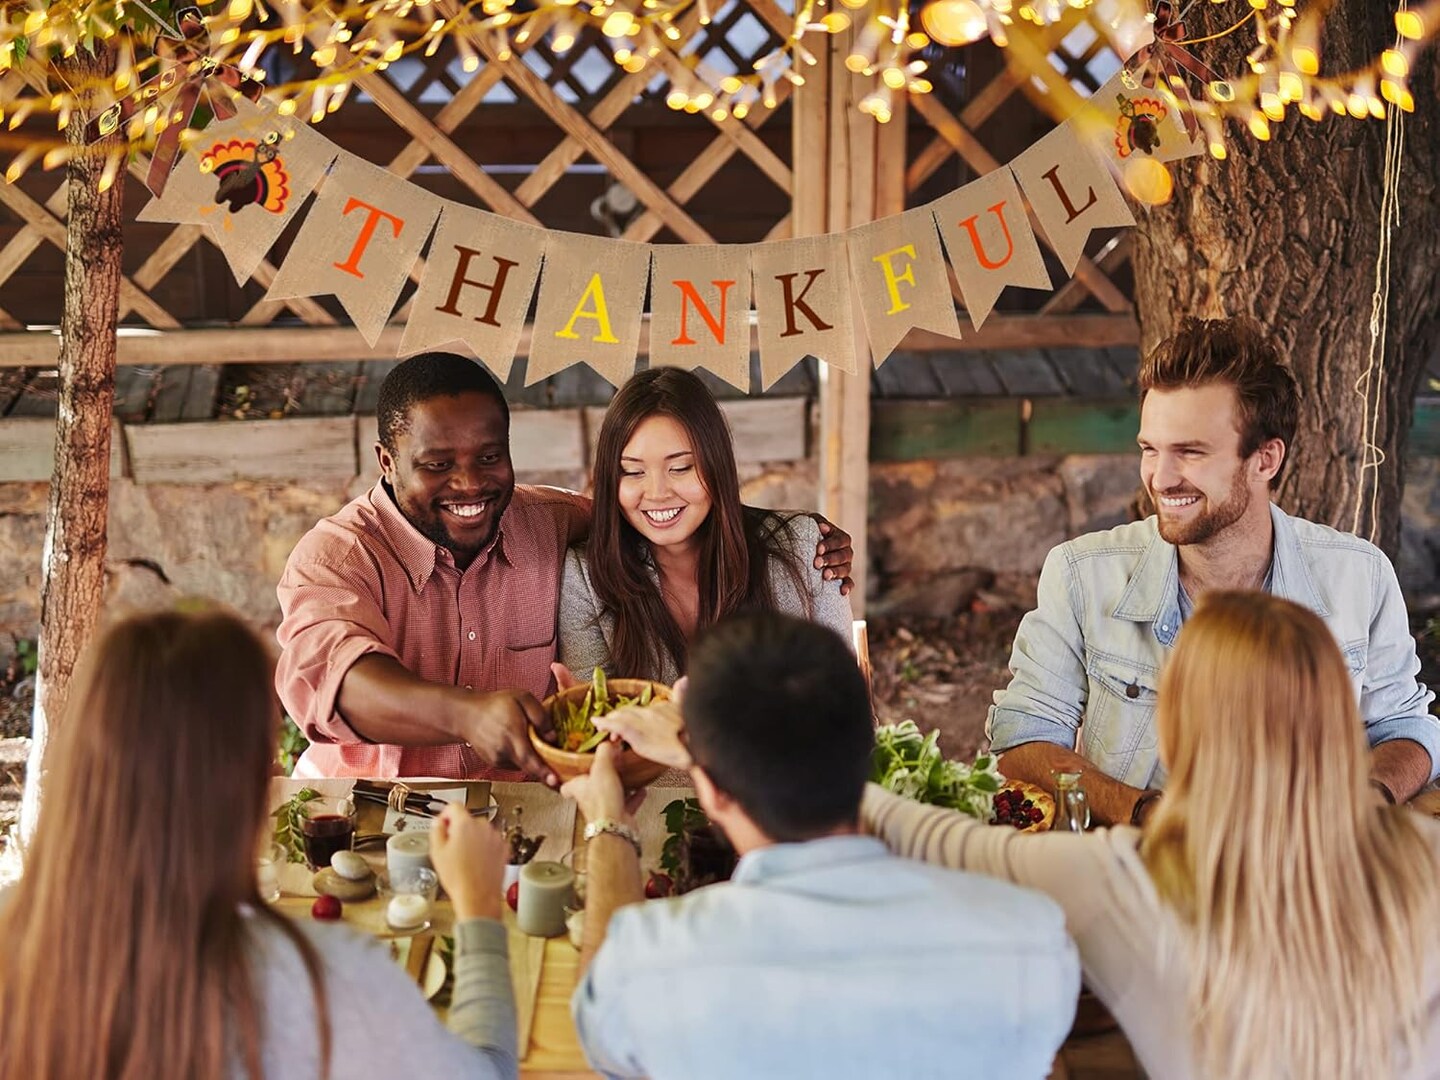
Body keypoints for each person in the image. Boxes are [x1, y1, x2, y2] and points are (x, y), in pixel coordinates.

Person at [868, 591, 1440, 1080]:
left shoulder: (1122, 881)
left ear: (1178, 730)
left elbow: (928, 836)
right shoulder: (1426, 859)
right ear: (1340, 720)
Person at [275, 352, 853, 780]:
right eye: (436, 464)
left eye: (489, 457)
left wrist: (797, 537)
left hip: (522, 811)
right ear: (387, 461)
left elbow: (658, 511)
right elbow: (336, 681)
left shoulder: (546, 521)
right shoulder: (339, 556)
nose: (469, 483)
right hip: (370, 804)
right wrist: (466, 715)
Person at [0, 606, 519, 1080]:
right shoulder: (323, 983)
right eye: (266, 757)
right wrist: (477, 909)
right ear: (237, 790)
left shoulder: (16, 938)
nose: (277, 770)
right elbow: (487, 1073)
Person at [559, 613, 1079, 1080]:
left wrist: (608, 823)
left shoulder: (654, 961)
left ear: (712, 793)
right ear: (869, 746)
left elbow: (597, 1020)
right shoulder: (1030, 939)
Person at [987, 316, 1440, 824]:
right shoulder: (1080, 573)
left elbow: (1405, 727)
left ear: (1265, 460)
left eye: (1191, 452)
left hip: (1306, 879)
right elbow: (1023, 737)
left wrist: (1364, 805)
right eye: (1150, 449)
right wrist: (1149, 816)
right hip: (1138, 870)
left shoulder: (1362, 575)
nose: (1161, 477)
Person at [558, 367, 852, 685]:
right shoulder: (586, 576)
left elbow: (847, 705)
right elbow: (594, 716)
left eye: (681, 467)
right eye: (632, 472)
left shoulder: (807, 548)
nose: (657, 493)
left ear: (716, 465)